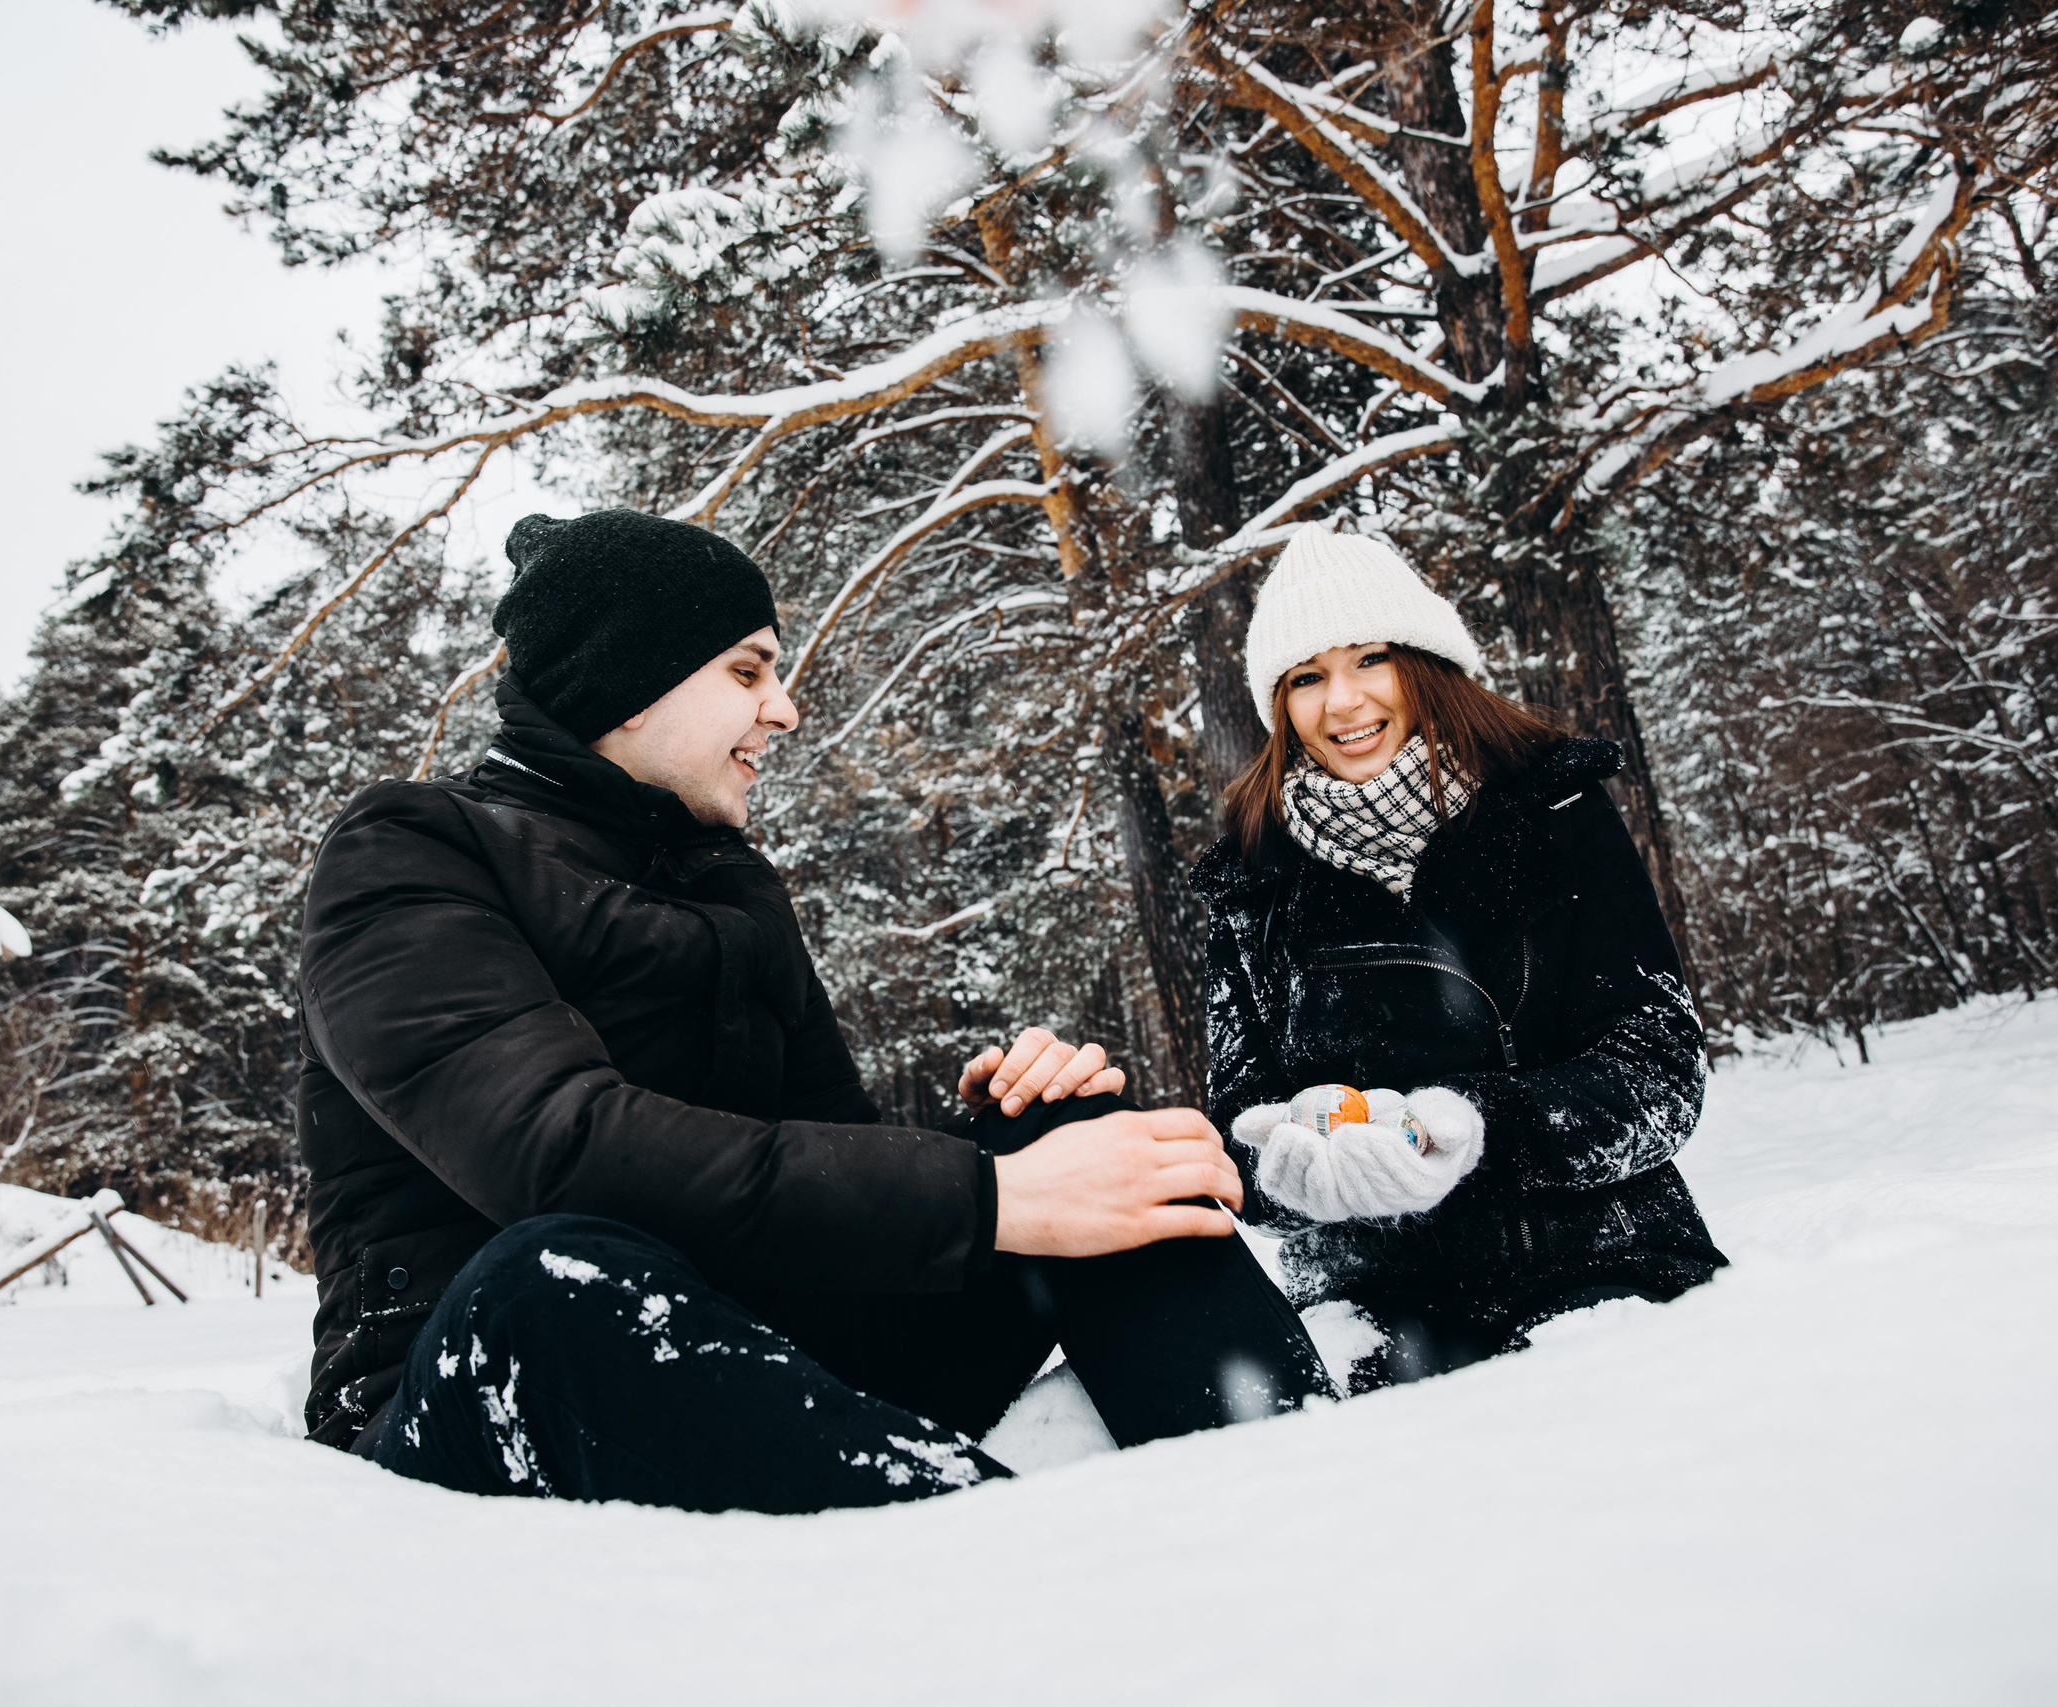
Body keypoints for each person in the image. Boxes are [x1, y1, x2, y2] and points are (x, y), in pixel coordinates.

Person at [296, 508, 1330, 1513]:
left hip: (765, 1359)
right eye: (746, 670)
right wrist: (989, 1197)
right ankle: (1024, 1597)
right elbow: (555, 1151)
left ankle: (1297, 1498)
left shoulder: (729, 888)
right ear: (624, 686)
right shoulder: (411, 853)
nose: (783, 709)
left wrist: (1002, 1142)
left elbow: (833, 1156)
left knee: (1070, 1134)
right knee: (548, 1274)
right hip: (489, 1392)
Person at [1193, 525, 1727, 1388]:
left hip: (1605, 1263)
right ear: (1279, 705)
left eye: (1370, 658)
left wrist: (1474, 1126)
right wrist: (1295, 1170)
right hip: (1374, 1307)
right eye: (1307, 678)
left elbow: (1660, 1073)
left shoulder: (1555, 810)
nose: (1342, 703)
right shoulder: (1249, 887)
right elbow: (1239, 1135)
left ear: (1426, 662)